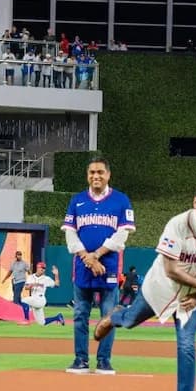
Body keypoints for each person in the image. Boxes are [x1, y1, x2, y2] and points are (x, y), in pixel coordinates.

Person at [95, 183, 196, 391]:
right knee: (129, 321)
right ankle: (114, 316)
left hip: (189, 302)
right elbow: (171, 270)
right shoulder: (177, 225)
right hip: (159, 289)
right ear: (195, 202)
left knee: (187, 347)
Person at [61, 156, 135, 375]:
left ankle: (104, 361)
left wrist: (96, 255)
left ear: (108, 175)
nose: (96, 176)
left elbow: (121, 236)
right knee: (80, 315)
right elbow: (70, 235)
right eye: (92, 172)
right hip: (83, 268)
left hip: (109, 267)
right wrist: (88, 258)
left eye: (100, 172)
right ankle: (80, 360)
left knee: (109, 317)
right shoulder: (77, 200)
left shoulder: (121, 200)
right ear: (87, 175)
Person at [0, 250, 32, 320]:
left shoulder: (24, 263)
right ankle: (26, 308)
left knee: (15, 298)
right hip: (14, 281)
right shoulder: (13, 263)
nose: (19, 256)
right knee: (18, 299)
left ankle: (14, 314)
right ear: (16, 256)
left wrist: (31, 279)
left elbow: (29, 272)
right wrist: (5, 279)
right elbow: (10, 272)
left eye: (20, 255)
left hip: (21, 281)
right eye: (18, 255)